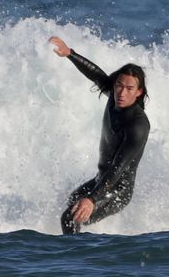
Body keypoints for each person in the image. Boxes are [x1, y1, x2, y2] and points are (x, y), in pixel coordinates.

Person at [48, 36, 149, 233]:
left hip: (118, 190)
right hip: (101, 179)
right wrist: (70, 54)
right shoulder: (115, 96)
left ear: (138, 92)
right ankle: (82, 249)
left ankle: (75, 259)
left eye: (129, 89)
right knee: (71, 203)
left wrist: (92, 199)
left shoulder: (138, 126)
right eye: (119, 85)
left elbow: (118, 169)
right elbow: (96, 75)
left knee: (70, 217)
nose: (121, 92)